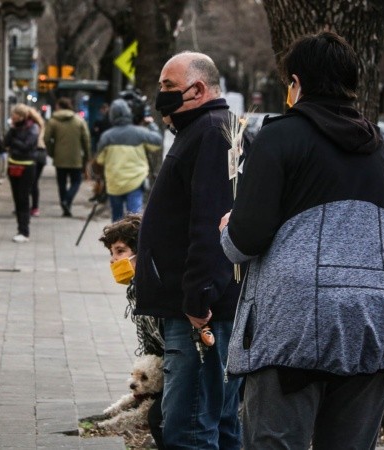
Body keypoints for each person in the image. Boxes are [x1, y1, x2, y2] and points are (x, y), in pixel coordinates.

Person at [218, 32, 384, 450]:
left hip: (296, 322)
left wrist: (227, 231)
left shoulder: (279, 137)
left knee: (274, 442)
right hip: (373, 318)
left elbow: (247, 238)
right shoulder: (378, 147)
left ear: (297, 83)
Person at [133, 52, 241, 449]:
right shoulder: (211, 130)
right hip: (208, 310)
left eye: (167, 87)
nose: (159, 95)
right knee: (220, 423)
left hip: (202, 315)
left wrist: (197, 301)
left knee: (189, 430)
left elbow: (210, 223)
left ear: (196, 90)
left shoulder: (211, 132)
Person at [99, 213, 165, 449]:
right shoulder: (137, 290)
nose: (113, 260)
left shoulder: (153, 287)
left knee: (159, 419)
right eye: (111, 254)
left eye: (120, 251)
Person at [94, 99, 163, 222]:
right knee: (134, 218)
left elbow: (100, 159)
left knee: (116, 219)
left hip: (114, 183)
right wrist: (151, 124)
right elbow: (157, 142)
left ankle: (116, 240)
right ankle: (134, 240)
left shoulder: (106, 137)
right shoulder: (140, 133)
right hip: (135, 181)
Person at [45, 97, 91, 217]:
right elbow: (86, 139)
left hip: (59, 157)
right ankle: (68, 200)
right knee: (76, 181)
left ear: (59, 106)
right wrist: (87, 155)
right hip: (76, 157)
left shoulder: (53, 121)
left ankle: (65, 205)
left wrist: (52, 152)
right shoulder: (79, 120)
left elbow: (46, 138)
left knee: (61, 183)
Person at [4, 103, 40, 243]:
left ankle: (24, 231)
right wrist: (12, 132)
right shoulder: (14, 128)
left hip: (27, 167)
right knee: (17, 199)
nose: (12, 117)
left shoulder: (33, 128)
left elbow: (27, 146)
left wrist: (14, 140)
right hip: (13, 166)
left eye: (14, 115)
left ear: (20, 116)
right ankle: (20, 229)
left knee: (23, 198)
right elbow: (5, 142)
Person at [27, 106, 47, 217]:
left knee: (31, 182)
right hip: (42, 153)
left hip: (34, 153)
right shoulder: (40, 123)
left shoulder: (31, 125)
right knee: (34, 182)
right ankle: (34, 207)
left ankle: (33, 207)